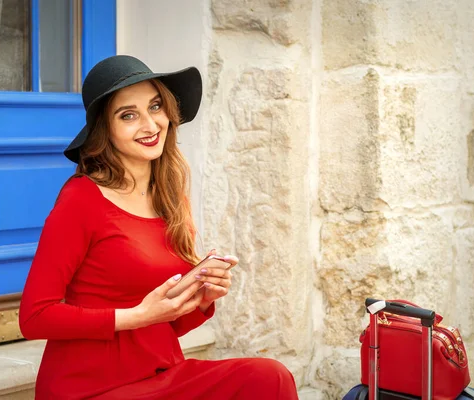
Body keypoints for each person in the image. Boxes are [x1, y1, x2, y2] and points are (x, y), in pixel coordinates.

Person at [19, 55, 299, 399]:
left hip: (160, 374)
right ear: (105, 130)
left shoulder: (170, 198)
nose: (150, 125)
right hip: (90, 386)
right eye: (128, 115)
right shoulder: (82, 199)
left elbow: (167, 324)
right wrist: (135, 316)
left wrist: (201, 298)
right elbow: (34, 318)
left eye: (155, 107)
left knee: (268, 377)